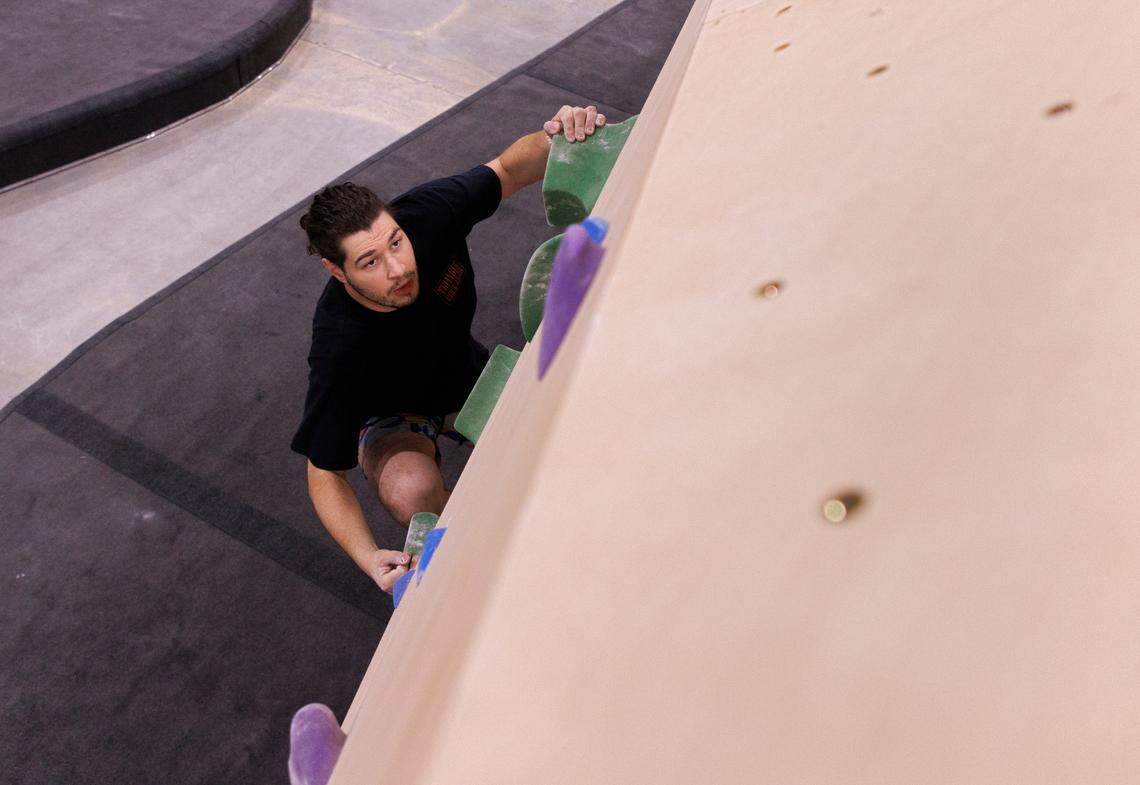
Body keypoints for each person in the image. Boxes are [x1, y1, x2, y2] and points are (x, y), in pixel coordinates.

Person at [291, 105, 607, 594]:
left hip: (466, 372)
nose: (397, 269)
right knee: (409, 490)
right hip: (394, 417)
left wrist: (559, 138)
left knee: (567, 431)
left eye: (395, 243)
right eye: (370, 262)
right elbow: (323, 472)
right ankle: (479, 553)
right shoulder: (340, 348)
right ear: (338, 272)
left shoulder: (429, 214)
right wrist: (368, 557)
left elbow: (506, 169)